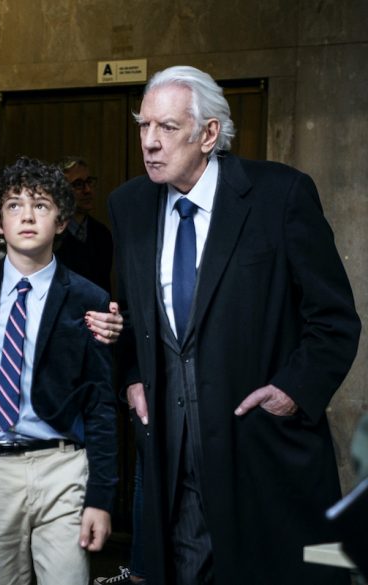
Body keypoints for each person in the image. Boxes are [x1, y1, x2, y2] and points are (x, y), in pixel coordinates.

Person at [109, 65, 360, 585]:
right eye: (143, 126)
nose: (150, 143)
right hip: (171, 458)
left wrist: (292, 391)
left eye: (167, 128)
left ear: (208, 135)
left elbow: (334, 319)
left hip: (259, 449)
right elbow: (131, 317)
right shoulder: (130, 205)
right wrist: (132, 375)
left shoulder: (280, 196)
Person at [0, 156, 117, 585]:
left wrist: (100, 498)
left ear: (62, 221)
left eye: (41, 205)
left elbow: (101, 404)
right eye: (14, 206)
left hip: (62, 468)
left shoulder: (89, 299)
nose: (27, 216)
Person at [56, 156, 114, 293]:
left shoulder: (102, 234)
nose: (87, 190)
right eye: (78, 184)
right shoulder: (51, 235)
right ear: (61, 191)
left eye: (89, 182)